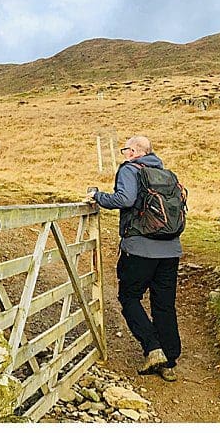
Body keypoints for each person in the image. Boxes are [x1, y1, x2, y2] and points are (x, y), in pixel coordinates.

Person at [87, 135, 181, 382]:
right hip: (171, 250)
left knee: (129, 297)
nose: (124, 153)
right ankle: (169, 361)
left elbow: (125, 199)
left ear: (134, 151)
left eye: (125, 149)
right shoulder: (167, 174)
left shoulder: (130, 170)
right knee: (164, 304)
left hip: (139, 249)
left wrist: (98, 196)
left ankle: (153, 348)